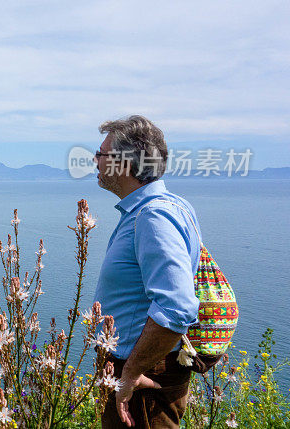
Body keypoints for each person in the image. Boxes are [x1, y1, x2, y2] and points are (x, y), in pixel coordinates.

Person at [93, 115, 201, 428]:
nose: (95, 161)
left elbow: (177, 307)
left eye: (101, 154)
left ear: (124, 163)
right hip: (141, 367)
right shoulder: (162, 207)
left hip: (143, 376)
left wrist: (130, 372)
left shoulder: (152, 216)